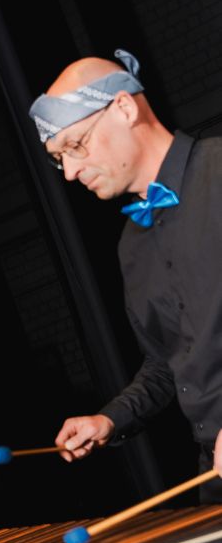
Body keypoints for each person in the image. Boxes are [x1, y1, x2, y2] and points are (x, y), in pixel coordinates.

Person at [28, 49, 222, 502]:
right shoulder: (131, 245)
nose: (70, 172)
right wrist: (110, 419)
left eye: (75, 146)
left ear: (124, 108)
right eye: (60, 159)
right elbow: (167, 364)